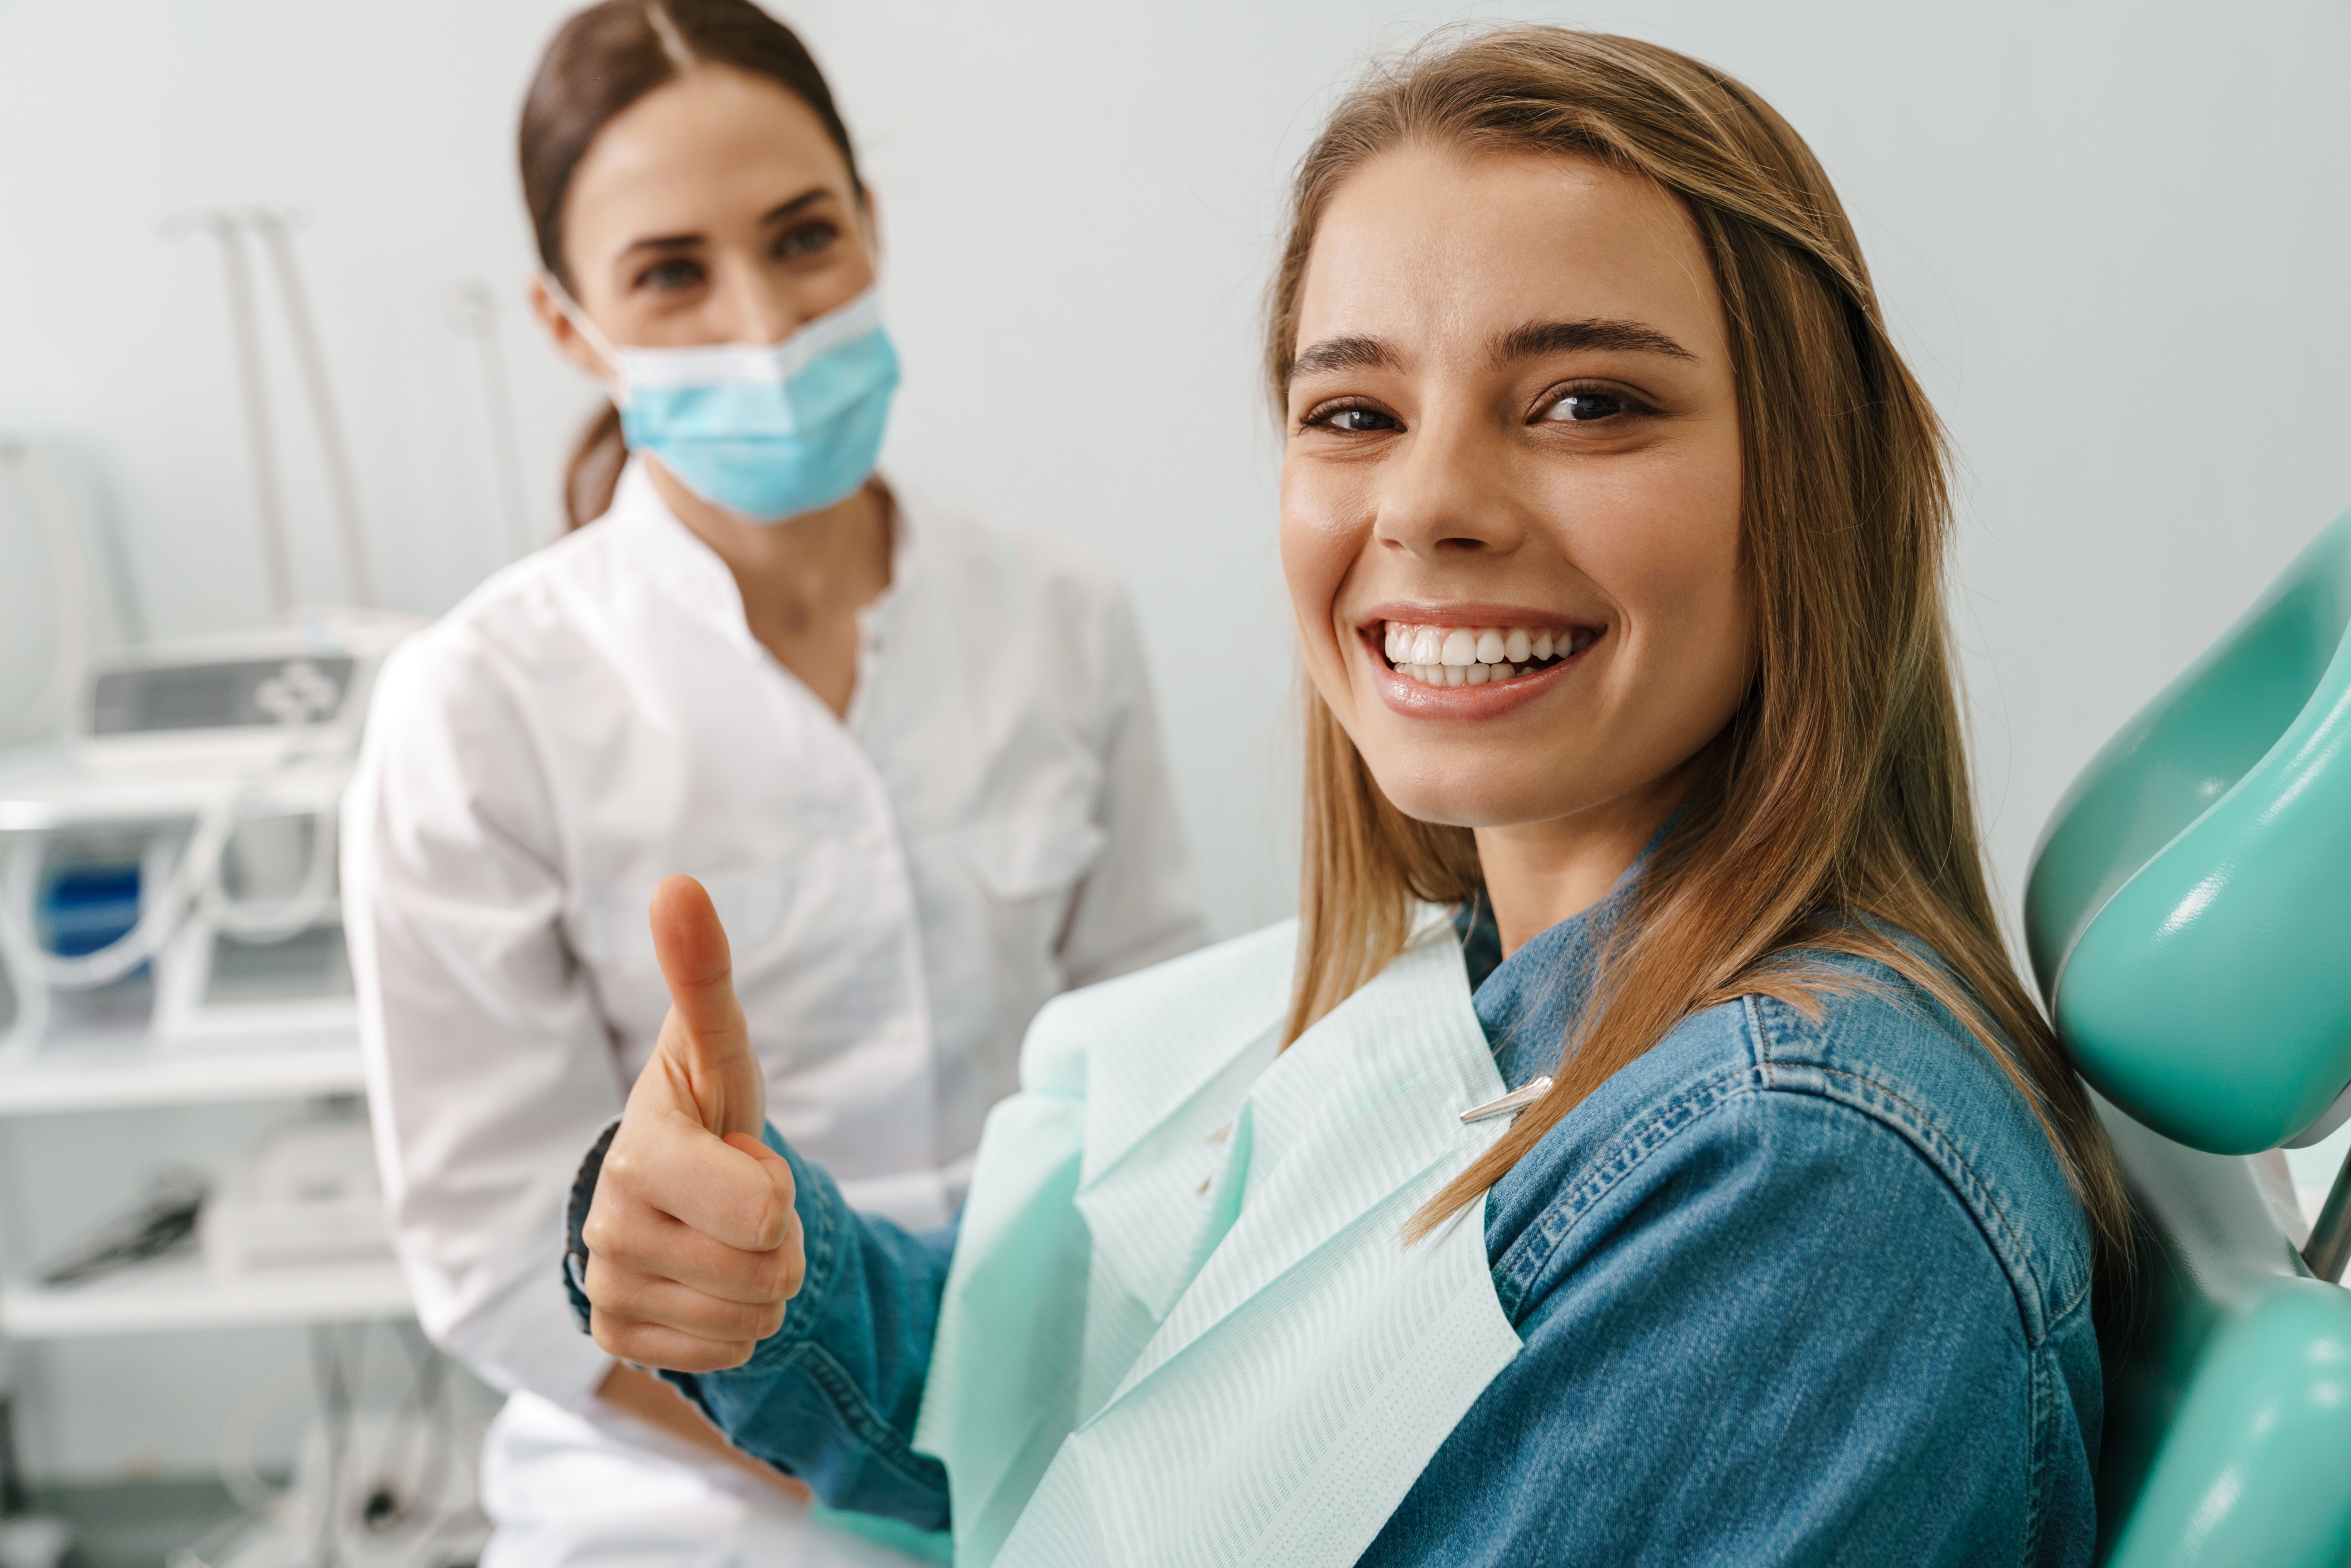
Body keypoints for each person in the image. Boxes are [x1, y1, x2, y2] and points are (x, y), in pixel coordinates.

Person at [567, 26, 2130, 1567]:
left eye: (1587, 401)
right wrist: (754, 1268)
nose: (1431, 502)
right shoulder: (1474, 994)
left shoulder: (1792, 1186)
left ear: (1817, 481)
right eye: (1355, 413)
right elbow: (1067, 1383)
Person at [340, 3, 1203, 1563]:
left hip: (1078, 1426)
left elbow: (1163, 1065)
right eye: (671, 273)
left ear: (870, 227)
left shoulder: (1059, 614)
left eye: (803, 238)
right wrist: (884, 1465)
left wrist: (1064, 1443)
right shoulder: (475, 708)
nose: (761, 323)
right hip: (686, 1492)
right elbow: (486, 1250)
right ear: (567, 326)